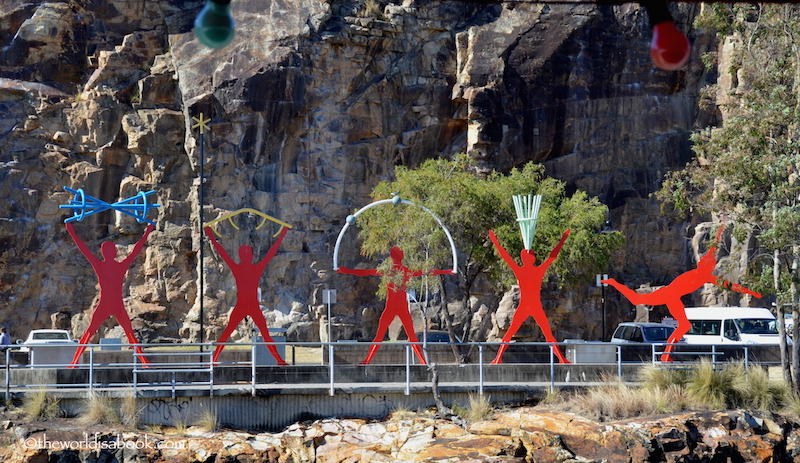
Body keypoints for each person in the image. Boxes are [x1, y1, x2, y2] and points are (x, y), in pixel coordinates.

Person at [602, 225, 761, 361]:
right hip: (668, 293)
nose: (706, 263)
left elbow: (731, 284)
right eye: (706, 263)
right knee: (636, 300)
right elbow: (715, 247)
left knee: (683, 325)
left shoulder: (706, 276)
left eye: (707, 263)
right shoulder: (703, 274)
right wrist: (721, 226)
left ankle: (666, 355)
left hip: (672, 297)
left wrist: (751, 291)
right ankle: (614, 283)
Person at [337, 246, 454, 365]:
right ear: (401, 257)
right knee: (410, 335)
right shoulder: (403, 271)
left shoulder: (389, 271)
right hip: (398, 306)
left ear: (391, 257)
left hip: (393, 306)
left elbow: (365, 272)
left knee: (381, 334)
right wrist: (446, 271)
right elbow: (428, 272)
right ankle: (422, 361)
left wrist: (346, 270)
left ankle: (368, 360)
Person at [66, 222, 154, 366]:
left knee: (90, 333)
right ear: (114, 253)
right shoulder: (118, 266)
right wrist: (147, 232)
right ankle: (143, 361)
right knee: (128, 334)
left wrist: (72, 232)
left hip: (108, 304)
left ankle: (75, 361)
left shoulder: (101, 265)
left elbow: (84, 250)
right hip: (113, 304)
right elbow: (135, 251)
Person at [205, 225, 289, 365]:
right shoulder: (251, 268)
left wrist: (211, 236)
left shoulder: (241, 268)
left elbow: (223, 253)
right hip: (245, 305)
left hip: (248, 305)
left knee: (235, 333)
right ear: (248, 256)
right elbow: (270, 253)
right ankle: (279, 360)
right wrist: (282, 234)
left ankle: (279, 360)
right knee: (260, 334)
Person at [488, 229, 571, 364]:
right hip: (533, 305)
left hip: (526, 305)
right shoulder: (538, 271)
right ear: (532, 258)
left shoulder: (520, 270)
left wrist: (495, 241)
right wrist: (562, 239)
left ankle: (498, 358)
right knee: (547, 334)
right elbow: (552, 256)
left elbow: (506, 257)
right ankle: (561, 359)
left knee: (510, 333)